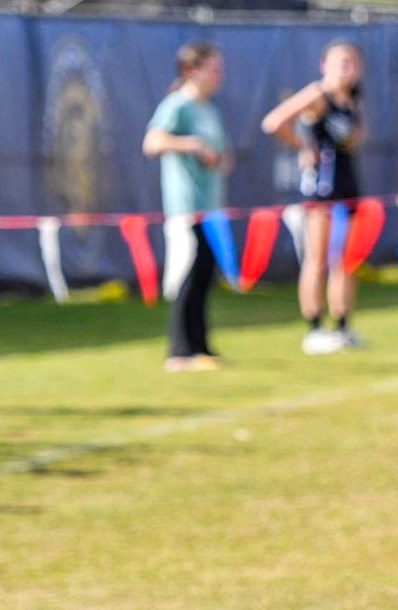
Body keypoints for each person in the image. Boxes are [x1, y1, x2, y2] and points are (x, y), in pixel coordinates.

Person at [261, 40, 367, 356]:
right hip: (321, 190)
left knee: (345, 260)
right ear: (325, 65)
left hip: (347, 188)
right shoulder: (317, 95)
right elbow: (274, 122)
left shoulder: (351, 101)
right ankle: (314, 328)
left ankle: (343, 327)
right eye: (340, 61)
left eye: (351, 62)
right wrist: (303, 146)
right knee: (317, 258)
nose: (346, 68)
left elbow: (354, 140)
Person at [142, 41, 231, 374]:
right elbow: (152, 142)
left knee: (204, 275)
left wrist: (218, 159)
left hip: (210, 209)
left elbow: (222, 154)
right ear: (191, 71)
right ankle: (179, 352)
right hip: (185, 209)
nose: (219, 76)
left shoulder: (210, 110)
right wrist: (190, 144)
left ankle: (200, 347)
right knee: (186, 276)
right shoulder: (177, 105)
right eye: (213, 69)